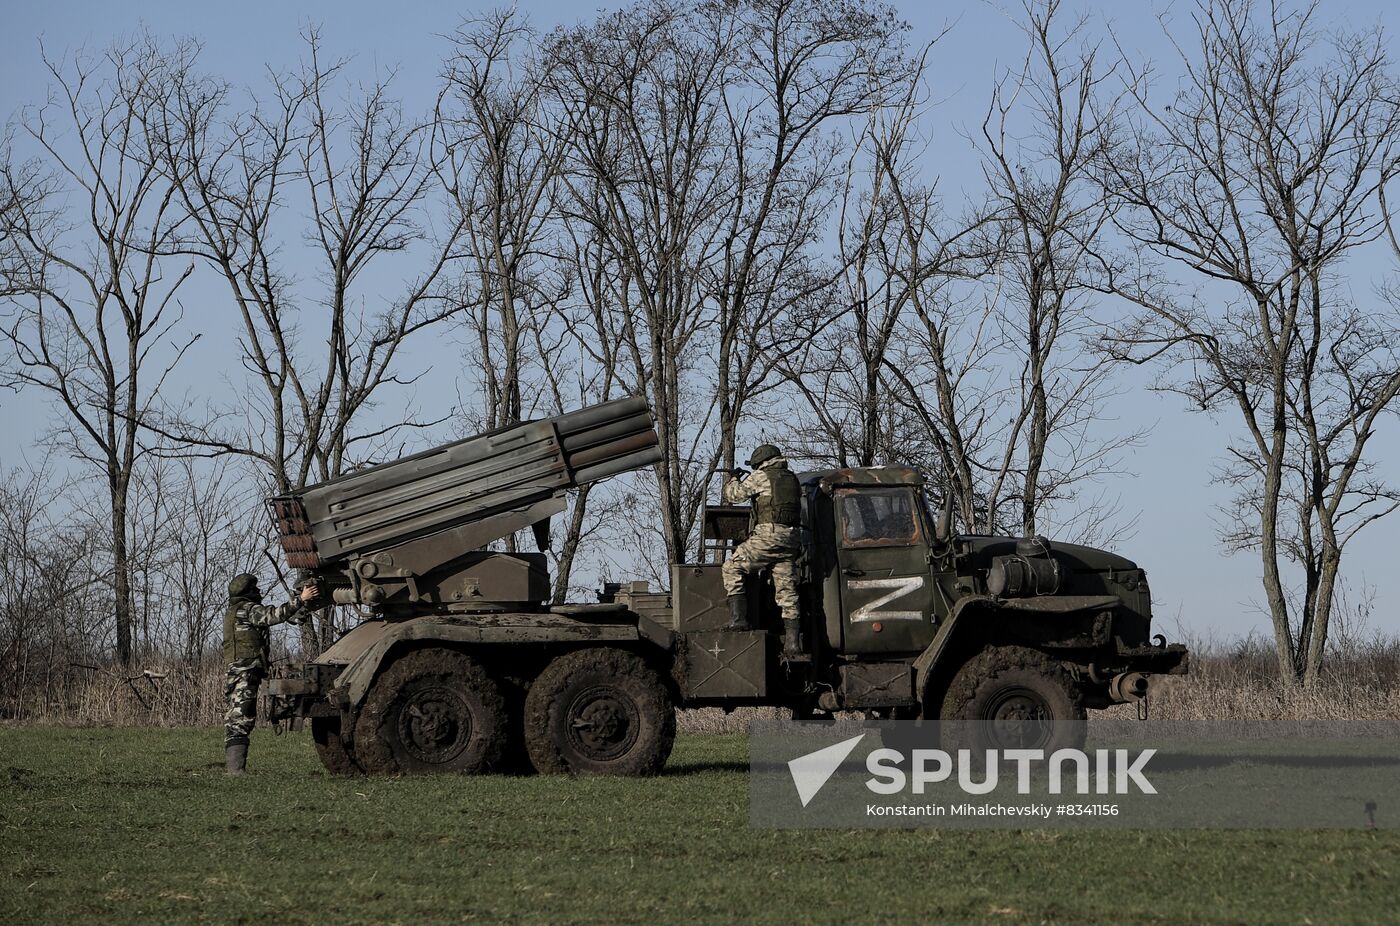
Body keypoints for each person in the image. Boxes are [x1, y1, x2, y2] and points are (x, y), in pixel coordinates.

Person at [223, 573, 318, 776]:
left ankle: (235, 768)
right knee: (241, 717)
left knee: (238, 715)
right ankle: (235, 770)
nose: (259, 593)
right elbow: (274, 615)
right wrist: (302, 598)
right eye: (255, 590)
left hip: (240, 670)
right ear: (248, 592)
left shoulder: (235, 611)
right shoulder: (247, 610)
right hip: (245, 672)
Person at [721, 444, 804, 657]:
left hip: (768, 537)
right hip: (791, 540)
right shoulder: (792, 479)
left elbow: (734, 495)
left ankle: (739, 620)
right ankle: (793, 644)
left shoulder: (762, 476)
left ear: (760, 463)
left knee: (732, 567)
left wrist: (733, 478)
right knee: (787, 592)